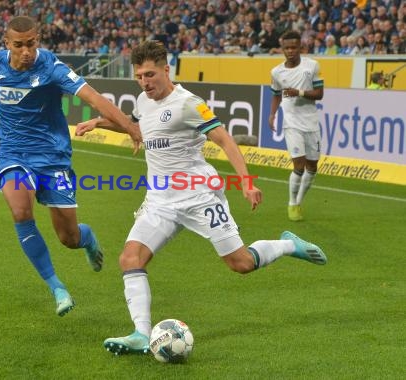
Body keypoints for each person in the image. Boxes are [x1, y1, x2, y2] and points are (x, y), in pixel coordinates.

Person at [75, 40, 328, 355]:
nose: (144, 82)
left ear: (167, 70)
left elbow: (225, 141)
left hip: (200, 196)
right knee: (130, 259)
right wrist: (98, 122)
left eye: (150, 74)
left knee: (241, 263)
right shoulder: (143, 100)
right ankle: (141, 334)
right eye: (139, 76)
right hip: (160, 200)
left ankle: (289, 244)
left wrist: (247, 183)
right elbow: (136, 126)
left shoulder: (189, 104)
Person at [0, 16, 141, 317]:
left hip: (53, 158)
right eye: (18, 45)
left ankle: (86, 238)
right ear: (7, 43)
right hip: (13, 153)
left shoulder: (53, 68)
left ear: (38, 40)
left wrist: (130, 126)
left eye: (31, 44)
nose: (25, 51)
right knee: (20, 210)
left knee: (68, 238)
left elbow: (94, 99)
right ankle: (57, 288)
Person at [268, 30, 324, 222]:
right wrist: (272, 114)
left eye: (294, 47)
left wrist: (298, 92)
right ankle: (292, 203)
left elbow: (319, 94)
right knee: (298, 164)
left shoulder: (312, 66)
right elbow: (276, 94)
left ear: (300, 47)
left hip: (311, 122)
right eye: (287, 48)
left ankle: (299, 201)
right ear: (282, 49)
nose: (290, 51)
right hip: (291, 122)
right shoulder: (276, 72)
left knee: (312, 167)